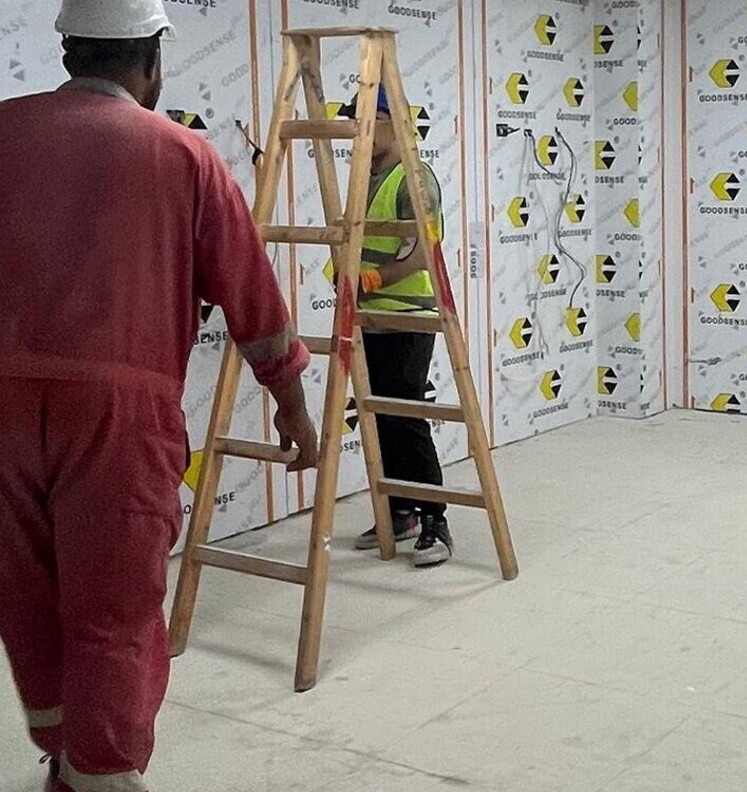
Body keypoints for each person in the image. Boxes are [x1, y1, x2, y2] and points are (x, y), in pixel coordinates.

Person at [0, 2, 318, 790]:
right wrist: (294, 406)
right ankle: (97, 773)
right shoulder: (183, 155)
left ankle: (62, 749)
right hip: (120, 412)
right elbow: (252, 298)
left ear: (70, 48)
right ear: (150, 64)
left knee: (26, 589)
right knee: (113, 608)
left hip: (2, 400)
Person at [347, 86, 454, 567]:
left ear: (397, 123)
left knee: (405, 415)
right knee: (380, 415)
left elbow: (423, 250)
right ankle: (399, 511)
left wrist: (375, 278)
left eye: (373, 118)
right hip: (370, 316)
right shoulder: (364, 180)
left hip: (408, 317)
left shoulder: (414, 178)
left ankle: (435, 519)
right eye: (359, 120)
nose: (363, 129)